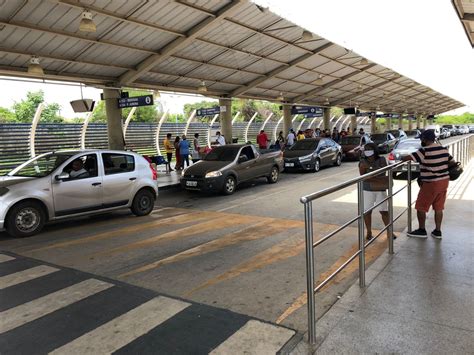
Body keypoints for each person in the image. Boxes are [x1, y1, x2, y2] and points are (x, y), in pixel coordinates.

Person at [403, 129, 454, 239]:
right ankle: (437, 231)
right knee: (439, 207)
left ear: (425, 140)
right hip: (444, 181)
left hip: (431, 183)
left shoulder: (424, 151)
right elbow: (451, 162)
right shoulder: (443, 149)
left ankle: (422, 230)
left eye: (422, 139)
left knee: (421, 206)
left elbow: (407, 158)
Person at [359, 143, 397, 241]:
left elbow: (382, 173)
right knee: (367, 211)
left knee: (384, 211)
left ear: (375, 150)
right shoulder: (362, 161)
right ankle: (369, 232)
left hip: (380, 189)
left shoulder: (382, 159)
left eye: (369, 149)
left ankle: (389, 232)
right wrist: (376, 176)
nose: (367, 151)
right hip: (367, 190)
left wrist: (370, 174)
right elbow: (363, 177)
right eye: (365, 149)